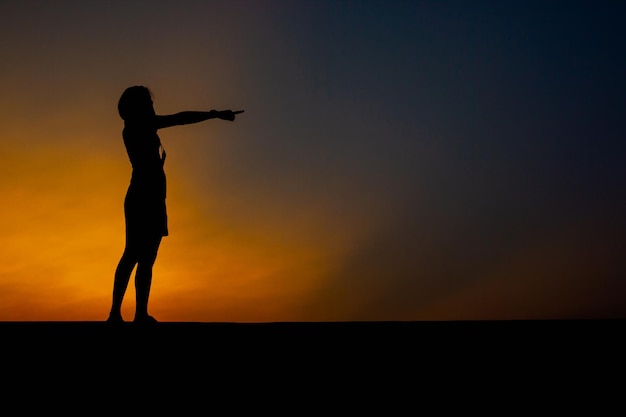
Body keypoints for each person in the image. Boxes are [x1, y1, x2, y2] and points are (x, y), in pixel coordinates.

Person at [107, 85, 243, 324]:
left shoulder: (141, 127)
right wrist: (214, 114)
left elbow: (179, 119)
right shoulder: (137, 127)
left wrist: (214, 114)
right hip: (142, 197)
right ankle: (115, 313)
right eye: (148, 104)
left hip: (154, 197)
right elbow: (180, 119)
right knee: (132, 254)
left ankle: (139, 314)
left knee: (147, 257)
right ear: (138, 107)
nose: (152, 107)